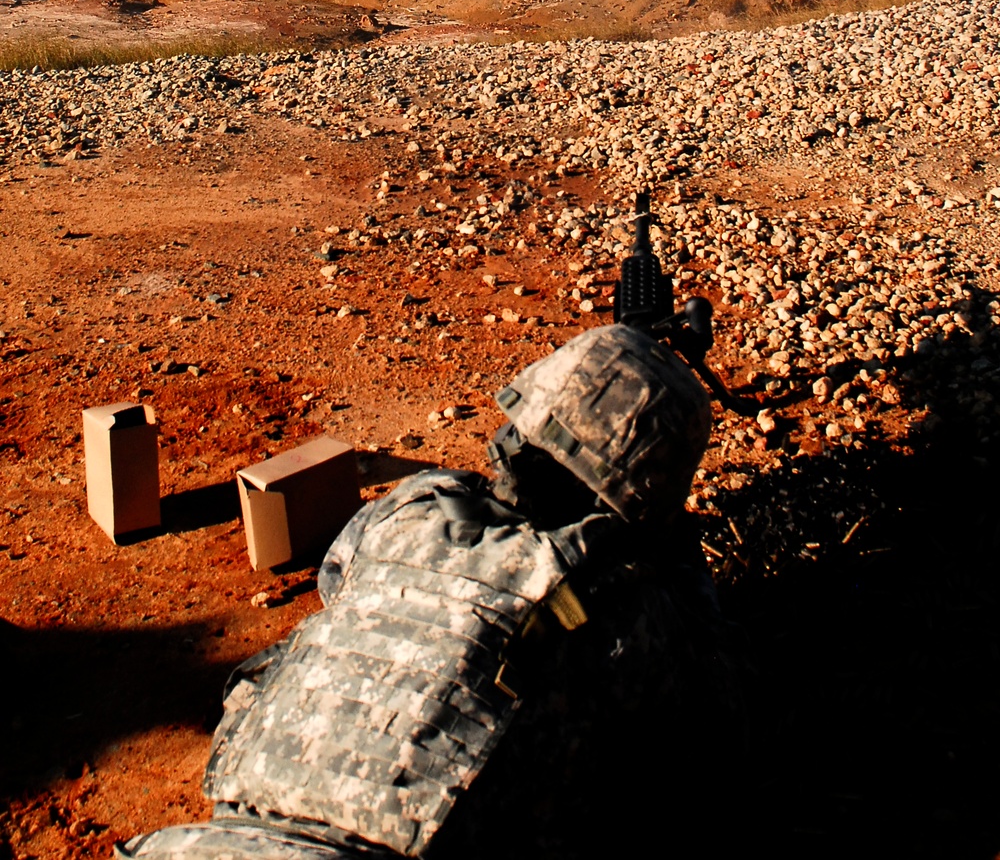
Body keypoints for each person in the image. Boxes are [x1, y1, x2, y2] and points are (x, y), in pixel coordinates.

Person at [118, 321, 731, 860]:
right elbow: (716, 718)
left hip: (208, 842)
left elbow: (340, 579)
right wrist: (666, 556)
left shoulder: (412, 507)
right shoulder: (618, 603)